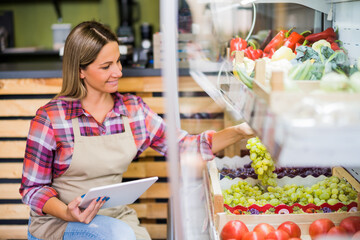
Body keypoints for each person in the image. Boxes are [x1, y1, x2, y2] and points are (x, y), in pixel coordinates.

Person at [20, 20, 255, 240]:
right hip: (59, 223)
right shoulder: (51, 118)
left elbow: (185, 146)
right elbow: (33, 189)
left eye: (118, 61)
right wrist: (67, 212)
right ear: (81, 70)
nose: (118, 72)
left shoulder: (133, 111)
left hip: (115, 217)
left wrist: (241, 131)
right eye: (106, 66)